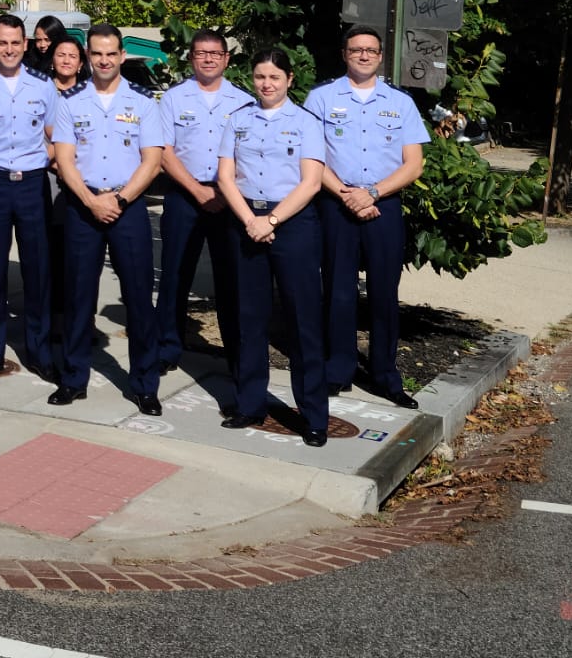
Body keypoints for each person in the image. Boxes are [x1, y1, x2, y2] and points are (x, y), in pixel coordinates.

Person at [306, 26, 428, 409]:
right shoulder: (320, 98)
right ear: (344, 54)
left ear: (379, 56)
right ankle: (338, 369)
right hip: (335, 201)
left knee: (383, 293)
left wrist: (372, 193)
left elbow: (414, 165)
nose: (363, 55)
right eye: (356, 49)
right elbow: (310, 157)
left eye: (370, 50)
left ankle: (384, 375)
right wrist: (347, 194)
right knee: (339, 291)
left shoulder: (401, 103)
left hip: (383, 204)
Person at [48, 24, 166, 410]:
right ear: (88, 55)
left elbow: (153, 161)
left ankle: (145, 383)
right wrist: (89, 199)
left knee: (138, 298)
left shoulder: (144, 103)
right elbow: (64, 159)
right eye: (96, 53)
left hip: (127, 208)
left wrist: (120, 199)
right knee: (79, 297)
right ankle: (73, 377)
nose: (103, 60)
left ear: (121, 56)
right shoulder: (71, 103)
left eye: (111, 53)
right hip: (83, 207)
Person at [217, 48, 330, 445]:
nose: (267, 84)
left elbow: (311, 182)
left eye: (275, 78)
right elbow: (226, 176)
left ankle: (314, 415)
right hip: (246, 221)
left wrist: (272, 220)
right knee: (249, 319)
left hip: (293, 225)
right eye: (261, 77)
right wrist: (250, 220)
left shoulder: (306, 122)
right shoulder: (238, 120)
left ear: (289, 80)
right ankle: (249, 404)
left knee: (302, 322)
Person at [0, 15, 61, 382]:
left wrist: (44, 159)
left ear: (24, 45)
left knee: (37, 268)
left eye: (14, 43)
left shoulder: (42, 86)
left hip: (32, 183)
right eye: (1, 43)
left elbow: (55, 134)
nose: (7, 50)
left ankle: (39, 351)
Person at [154, 28, 253, 385]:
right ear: (191, 58)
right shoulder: (174, 99)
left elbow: (249, 155)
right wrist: (196, 191)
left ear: (226, 59)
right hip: (185, 194)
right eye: (201, 53)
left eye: (215, 53)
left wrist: (225, 195)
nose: (208, 58)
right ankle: (166, 348)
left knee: (231, 280)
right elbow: (164, 151)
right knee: (175, 274)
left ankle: (236, 353)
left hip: (229, 200)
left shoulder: (243, 102)